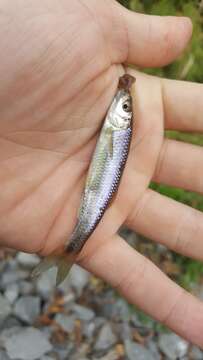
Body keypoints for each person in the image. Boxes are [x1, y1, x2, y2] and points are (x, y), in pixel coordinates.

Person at [0, 0, 203, 347]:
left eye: (124, 108)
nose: (121, 108)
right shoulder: (117, 123)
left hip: (92, 198)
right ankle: (67, 253)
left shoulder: (117, 123)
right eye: (124, 107)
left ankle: (69, 250)